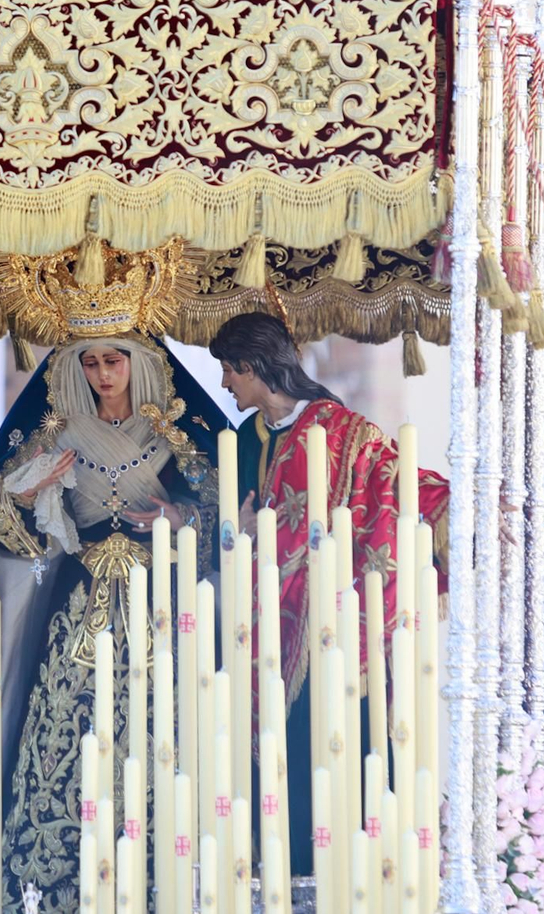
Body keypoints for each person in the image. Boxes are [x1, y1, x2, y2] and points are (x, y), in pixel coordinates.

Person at [0, 329, 232, 912]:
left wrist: (179, 517)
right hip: (74, 617)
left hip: (157, 613)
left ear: (140, 363)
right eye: (93, 363)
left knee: (163, 730)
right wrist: (31, 494)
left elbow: (227, 520)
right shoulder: (56, 435)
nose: (104, 374)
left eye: (115, 361)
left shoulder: (175, 437)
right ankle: (52, 876)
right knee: (60, 726)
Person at [207, 310, 450, 876]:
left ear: (252, 367)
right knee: (277, 771)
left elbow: (400, 479)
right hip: (263, 631)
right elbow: (220, 520)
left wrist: (457, 512)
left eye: (229, 372)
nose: (224, 385)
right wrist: (233, 533)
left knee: (340, 755)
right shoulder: (241, 441)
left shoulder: (344, 430)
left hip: (334, 634)